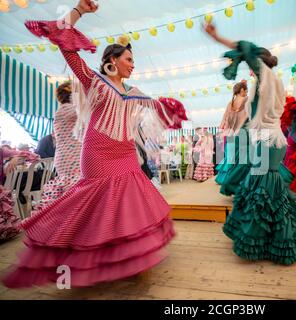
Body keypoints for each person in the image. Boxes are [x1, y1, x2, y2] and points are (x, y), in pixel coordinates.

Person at [2, 0, 187, 288]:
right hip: (98, 151)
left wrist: (167, 109)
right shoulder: (95, 81)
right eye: (128, 59)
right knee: (94, 205)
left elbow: (151, 109)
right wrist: (78, 10)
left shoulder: (134, 90)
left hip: (125, 151)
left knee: (129, 201)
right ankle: (71, 253)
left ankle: (128, 257)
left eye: (133, 60)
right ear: (112, 61)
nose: (133, 64)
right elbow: (65, 42)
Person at [204, 22, 296, 265]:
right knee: (268, 190)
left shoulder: (265, 75)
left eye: (252, 62)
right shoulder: (271, 81)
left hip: (267, 142)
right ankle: (275, 237)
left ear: (259, 61)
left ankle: (268, 240)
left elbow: (246, 48)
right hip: (270, 140)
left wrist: (218, 37)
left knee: (262, 192)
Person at [34, 81, 83, 210]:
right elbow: (87, 111)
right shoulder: (67, 109)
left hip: (67, 156)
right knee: (75, 192)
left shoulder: (62, 110)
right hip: (71, 157)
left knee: (74, 191)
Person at [215, 81, 249, 195]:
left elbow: (225, 118)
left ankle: (226, 179)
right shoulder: (246, 100)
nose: (247, 92)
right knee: (242, 157)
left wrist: (223, 129)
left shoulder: (231, 103)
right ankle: (238, 180)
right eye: (246, 89)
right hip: (242, 132)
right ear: (242, 90)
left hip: (230, 133)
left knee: (231, 157)